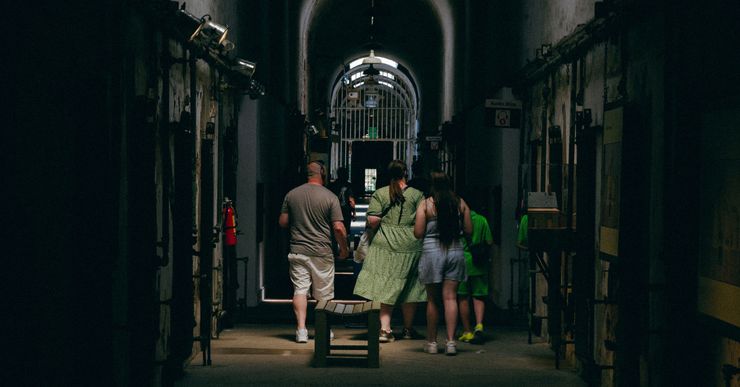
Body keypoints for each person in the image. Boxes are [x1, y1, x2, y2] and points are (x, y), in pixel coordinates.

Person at [353, 160, 426, 343]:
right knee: (410, 287)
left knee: (385, 284)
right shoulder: (417, 195)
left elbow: (372, 221)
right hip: (411, 244)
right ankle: (408, 329)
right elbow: (423, 220)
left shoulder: (380, 193)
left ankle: (385, 330)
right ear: (405, 173)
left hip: (384, 243)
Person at [279, 161, 349, 343]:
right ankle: (323, 329)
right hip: (322, 252)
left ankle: (301, 330)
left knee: (300, 290)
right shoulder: (330, 197)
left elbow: (283, 222)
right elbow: (339, 228)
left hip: (298, 250)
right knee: (324, 294)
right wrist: (344, 248)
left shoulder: (291, 195)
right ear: (322, 173)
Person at [414, 170, 472, 355]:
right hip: (455, 250)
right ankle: (451, 343)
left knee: (432, 300)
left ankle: (431, 343)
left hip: (432, 252)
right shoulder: (460, 203)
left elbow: (418, 232)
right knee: (450, 298)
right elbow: (469, 230)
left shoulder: (426, 204)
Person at [457, 208, 493, 344]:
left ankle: (467, 331)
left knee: (463, 297)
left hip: (462, 263)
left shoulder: (458, 221)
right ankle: (479, 325)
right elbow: (489, 242)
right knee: (479, 297)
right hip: (479, 263)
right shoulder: (482, 219)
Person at [327, 166, 356, 244]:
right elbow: (351, 200)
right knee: (345, 229)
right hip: (345, 211)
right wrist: (354, 211)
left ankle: (335, 247)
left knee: (334, 229)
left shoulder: (332, 185)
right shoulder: (349, 185)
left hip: (333, 210)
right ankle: (345, 247)